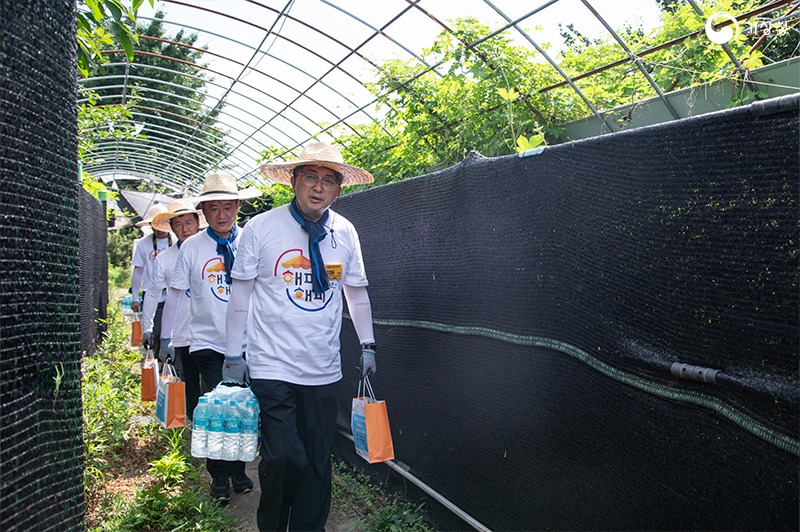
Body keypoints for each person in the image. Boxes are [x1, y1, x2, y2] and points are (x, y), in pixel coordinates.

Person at [224, 141, 377, 531]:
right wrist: (233, 353)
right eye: (310, 176)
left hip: (323, 368)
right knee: (281, 457)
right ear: (293, 180)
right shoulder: (263, 228)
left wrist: (368, 344)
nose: (318, 187)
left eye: (329, 180)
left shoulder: (344, 232)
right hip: (272, 364)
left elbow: (355, 293)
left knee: (316, 460)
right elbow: (239, 294)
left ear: (338, 190)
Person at [159, 172, 261, 502]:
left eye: (227, 207)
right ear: (203, 210)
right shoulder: (192, 248)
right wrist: (166, 339)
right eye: (213, 208)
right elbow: (174, 295)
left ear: (237, 207)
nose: (221, 214)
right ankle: (219, 476)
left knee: (244, 410)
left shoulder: (252, 240)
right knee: (220, 410)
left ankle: (239, 469)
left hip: (250, 343)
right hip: (209, 343)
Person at [141, 198, 203, 418]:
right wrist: (147, 328)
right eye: (179, 224)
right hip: (181, 333)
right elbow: (152, 294)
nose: (185, 229)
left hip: (213, 332)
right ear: (172, 228)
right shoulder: (165, 259)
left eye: (189, 222)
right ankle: (195, 427)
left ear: (197, 222)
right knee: (189, 383)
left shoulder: (213, 251)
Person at [131, 203, 173, 356]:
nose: (159, 229)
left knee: (169, 329)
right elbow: (138, 271)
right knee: (154, 331)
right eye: (155, 225)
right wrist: (135, 297)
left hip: (172, 292)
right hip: (151, 292)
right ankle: (155, 359)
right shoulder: (143, 244)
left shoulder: (176, 240)